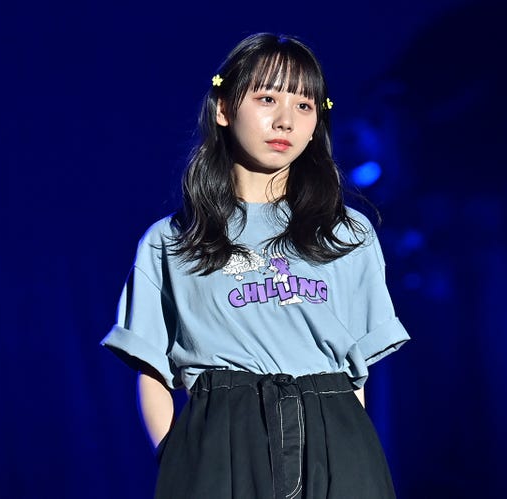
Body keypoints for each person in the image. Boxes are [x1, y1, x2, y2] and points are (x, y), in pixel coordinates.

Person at [101, 32, 410, 499]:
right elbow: (152, 369)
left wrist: (349, 453)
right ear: (224, 109)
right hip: (220, 439)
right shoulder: (173, 240)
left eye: (304, 105)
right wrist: (180, 459)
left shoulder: (347, 233)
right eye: (267, 98)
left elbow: (354, 373)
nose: (285, 120)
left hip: (335, 438)